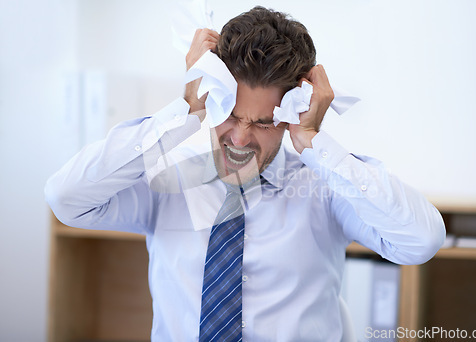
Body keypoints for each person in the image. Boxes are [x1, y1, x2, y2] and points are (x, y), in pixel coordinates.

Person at [45, 6, 445, 342]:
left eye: (264, 123)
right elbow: (67, 199)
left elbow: (420, 241)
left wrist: (313, 142)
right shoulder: (167, 183)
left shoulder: (323, 189)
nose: (240, 138)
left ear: (292, 115)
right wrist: (184, 112)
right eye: (230, 115)